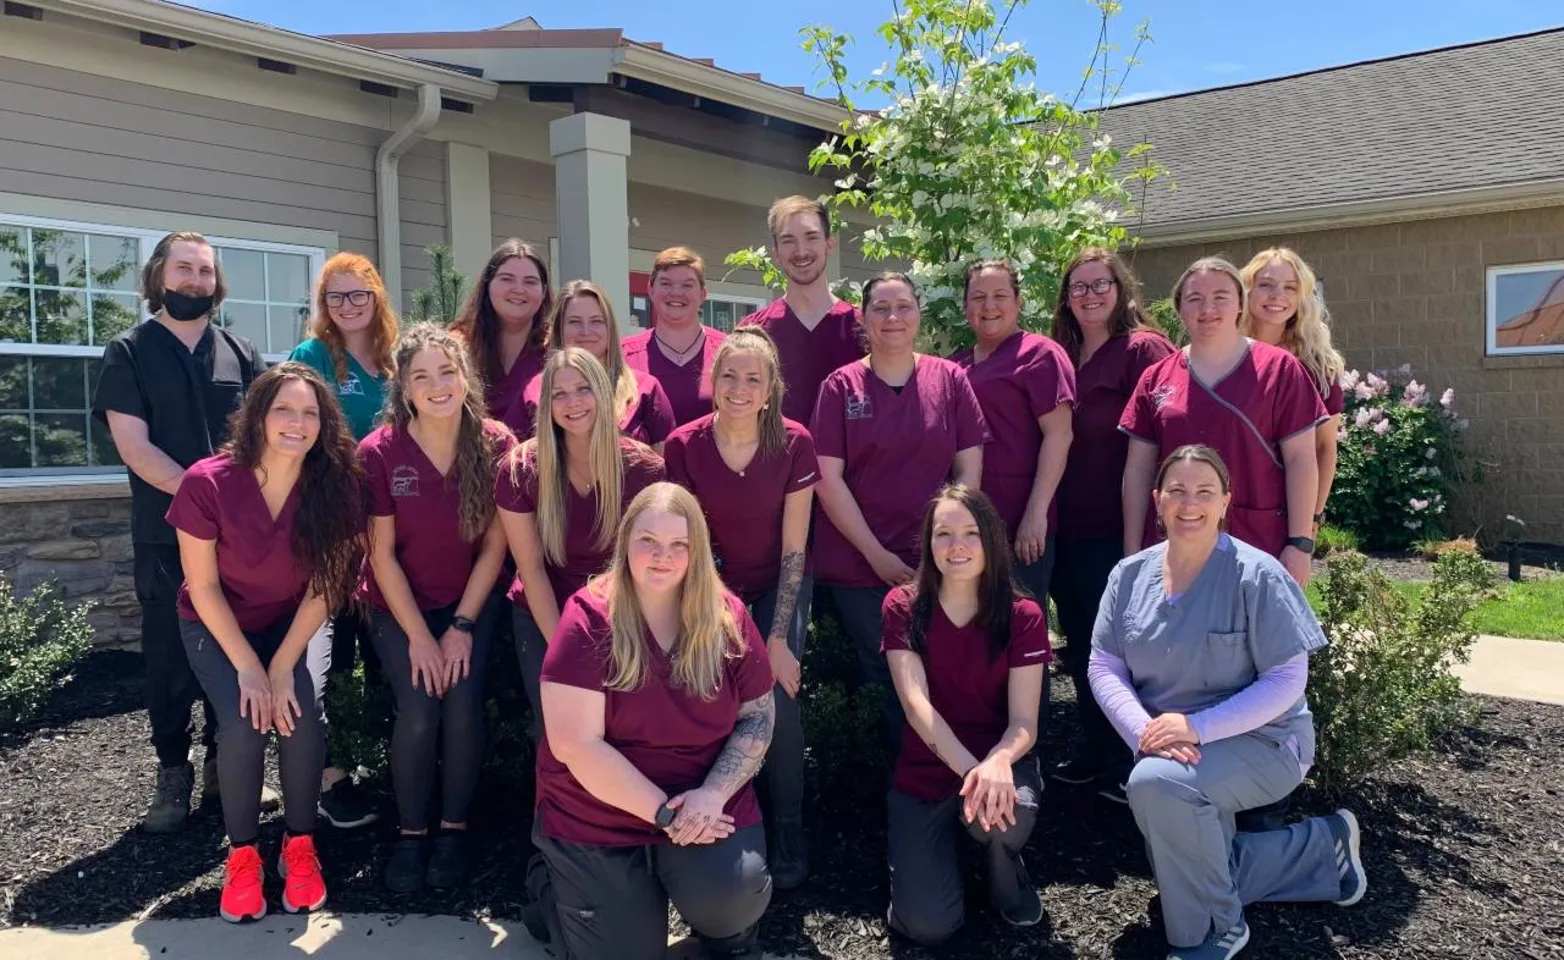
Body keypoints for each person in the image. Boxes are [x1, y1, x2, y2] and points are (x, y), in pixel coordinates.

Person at [1088, 445, 1366, 959]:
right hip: (1169, 749)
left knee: (1161, 798)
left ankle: (1215, 931)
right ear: (1157, 500)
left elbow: (1287, 680)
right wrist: (1143, 735)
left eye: (1204, 493)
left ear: (1225, 503)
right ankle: (1319, 851)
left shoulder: (1257, 576)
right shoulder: (1127, 577)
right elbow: (1104, 665)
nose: (1188, 503)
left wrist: (1195, 728)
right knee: (1182, 847)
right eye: (1176, 491)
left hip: (1265, 742)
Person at [522, 482, 775, 960]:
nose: (663, 557)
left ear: (697, 551)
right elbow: (575, 744)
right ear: (625, 543)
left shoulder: (726, 616)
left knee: (732, 895)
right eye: (648, 542)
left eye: (679, 545)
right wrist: (664, 813)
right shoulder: (588, 618)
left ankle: (727, 933)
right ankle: (547, 887)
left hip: (700, 800)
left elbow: (758, 718)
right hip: (597, 811)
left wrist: (712, 795)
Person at [166, 363, 364, 922]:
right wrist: (251, 669)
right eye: (284, 409)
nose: (297, 423)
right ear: (258, 416)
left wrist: (280, 667)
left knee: (301, 717)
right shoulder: (207, 482)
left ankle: (299, 846)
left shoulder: (335, 486)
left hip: (290, 622)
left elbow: (327, 587)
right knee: (242, 722)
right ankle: (244, 854)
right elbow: (202, 588)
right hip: (215, 622)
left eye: (310, 413)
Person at [92, 230, 269, 834]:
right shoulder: (129, 351)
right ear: (159, 277)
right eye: (184, 269)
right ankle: (174, 771)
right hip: (166, 536)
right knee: (170, 656)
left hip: (239, 539)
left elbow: (262, 440)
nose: (195, 280)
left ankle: (228, 763)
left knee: (236, 649)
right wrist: (208, 501)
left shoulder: (241, 352)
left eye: (205, 271)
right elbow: (135, 449)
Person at [359, 324, 515, 893]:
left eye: (447, 372)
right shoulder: (379, 452)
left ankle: (453, 830)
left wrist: (461, 626)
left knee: (463, 702)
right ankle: (411, 832)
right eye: (421, 376)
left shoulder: (496, 443)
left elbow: (497, 546)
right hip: (396, 605)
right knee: (421, 706)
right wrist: (422, 638)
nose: (437, 385)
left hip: (468, 599)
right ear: (403, 387)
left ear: (465, 376)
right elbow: (379, 555)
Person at [663, 326, 819, 890]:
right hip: (713, 587)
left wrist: (775, 639)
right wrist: (725, 612)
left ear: (771, 386)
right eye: (729, 374)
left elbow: (795, 548)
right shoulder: (683, 445)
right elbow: (691, 543)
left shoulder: (795, 441)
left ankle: (790, 825)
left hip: (781, 584)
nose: (739, 387)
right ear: (712, 379)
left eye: (753, 378)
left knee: (778, 698)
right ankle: (714, 812)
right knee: (710, 692)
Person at [811, 272, 988, 747]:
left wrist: (953, 543)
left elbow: (969, 467)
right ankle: (902, 784)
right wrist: (876, 555)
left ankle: (950, 776)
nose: (893, 318)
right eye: (881, 309)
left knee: (943, 664)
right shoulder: (840, 387)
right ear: (863, 319)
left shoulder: (950, 379)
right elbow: (826, 478)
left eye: (903, 307)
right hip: (860, 563)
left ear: (918, 315)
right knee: (885, 670)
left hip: (941, 560)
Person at [881, 485, 1050, 944]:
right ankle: (945, 849)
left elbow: (1024, 723)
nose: (957, 546)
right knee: (927, 926)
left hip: (1002, 766)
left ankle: (1005, 878)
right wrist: (973, 774)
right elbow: (917, 707)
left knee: (1005, 819)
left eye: (972, 532)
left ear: (992, 539)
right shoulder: (902, 607)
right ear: (928, 543)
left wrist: (996, 764)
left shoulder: (1025, 615)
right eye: (944, 534)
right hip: (927, 773)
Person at [1047, 248, 1176, 794]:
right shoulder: (1064, 353)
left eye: (1101, 284)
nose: (1091, 295)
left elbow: (1171, 428)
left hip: (1118, 526)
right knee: (1082, 641)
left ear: (1121, 289)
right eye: (1079, 287)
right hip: (1067, 523)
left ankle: (1136, 759)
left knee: (1126, 646)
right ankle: (1093, 743)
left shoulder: (1143, 349)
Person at [1119, 257, 1326, 588]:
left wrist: (1300, 544)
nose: (1207, 308)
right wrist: (1132, 551)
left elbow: (1302, 459)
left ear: (1240, 305)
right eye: (1194, 299)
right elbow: (1138, 470)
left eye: (1220, 297)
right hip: (1173, 547)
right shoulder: (1155, 379)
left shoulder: (1280, 370)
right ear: (1180, 309)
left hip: (1259, 541)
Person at [496, 348, 667, 740]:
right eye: (559, 393)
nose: (572, 402)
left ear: (605, 395)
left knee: (622, 730)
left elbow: (646, 567)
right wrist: (566, 645)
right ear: (545, 404)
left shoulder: (643, 468)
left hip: (621, 612)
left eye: (584, 389)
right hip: (546, 611)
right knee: (559, 733)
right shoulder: (521, 469)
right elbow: (532, 568)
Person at [288, 251, 398, 831]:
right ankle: (329, 777)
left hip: (388, 524)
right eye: (337, 297)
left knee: (380, 649)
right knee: (330, 652)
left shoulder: (393, 361)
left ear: (376, 297)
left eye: (359, 295)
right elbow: (295, 431)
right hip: (331, 525)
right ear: (323, 307)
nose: (349, 306)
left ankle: (382, 763)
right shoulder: (313, 358)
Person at [950, 259, 1075, 600]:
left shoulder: (1039, 354)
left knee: (1019, 628)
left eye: (1000, 295)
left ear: (1018, 302)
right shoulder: (955, 365)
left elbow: (1059, 435)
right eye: (978, 297)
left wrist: (1036, 514)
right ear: (965, 306)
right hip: (968, 526)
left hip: (1021, 524)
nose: (989, 306)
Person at [1239, 248, 1346, 534]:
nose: (1278, 295)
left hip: (1285, 515)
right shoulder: (1223, 355)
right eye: (1266, 285)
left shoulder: (1318, 367)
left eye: (1290, 287)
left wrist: (1313, 518)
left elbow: (1324, 448)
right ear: (1246, 291)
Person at [507, 279, 676, 450]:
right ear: (559, 329)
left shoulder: (646, 388)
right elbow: (513, 462)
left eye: (596, 321)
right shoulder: (535, 389)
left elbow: (665, 465)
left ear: (610, 328)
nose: (586, 331)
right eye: (574, 322)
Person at [738, 196, 864, 424]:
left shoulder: (864, 328)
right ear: (775, 253)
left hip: (852, 460)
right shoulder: (753, 332)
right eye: (788, 240)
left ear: (829, 244)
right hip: (776, 459)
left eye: (811, 237)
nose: (801, 251)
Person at [623, 246, 726, 427]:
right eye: (666, 283)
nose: (676, 293)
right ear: (651, 289)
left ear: (703, 294)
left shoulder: (728, 352)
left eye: (687, 285)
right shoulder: (623, 355)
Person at [451, 239, 553, 419]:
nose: (519, 289)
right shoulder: (457, 346)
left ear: (543, 292)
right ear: (487, 284)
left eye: (530, 282)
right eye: (507, 279)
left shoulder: (556, 347)